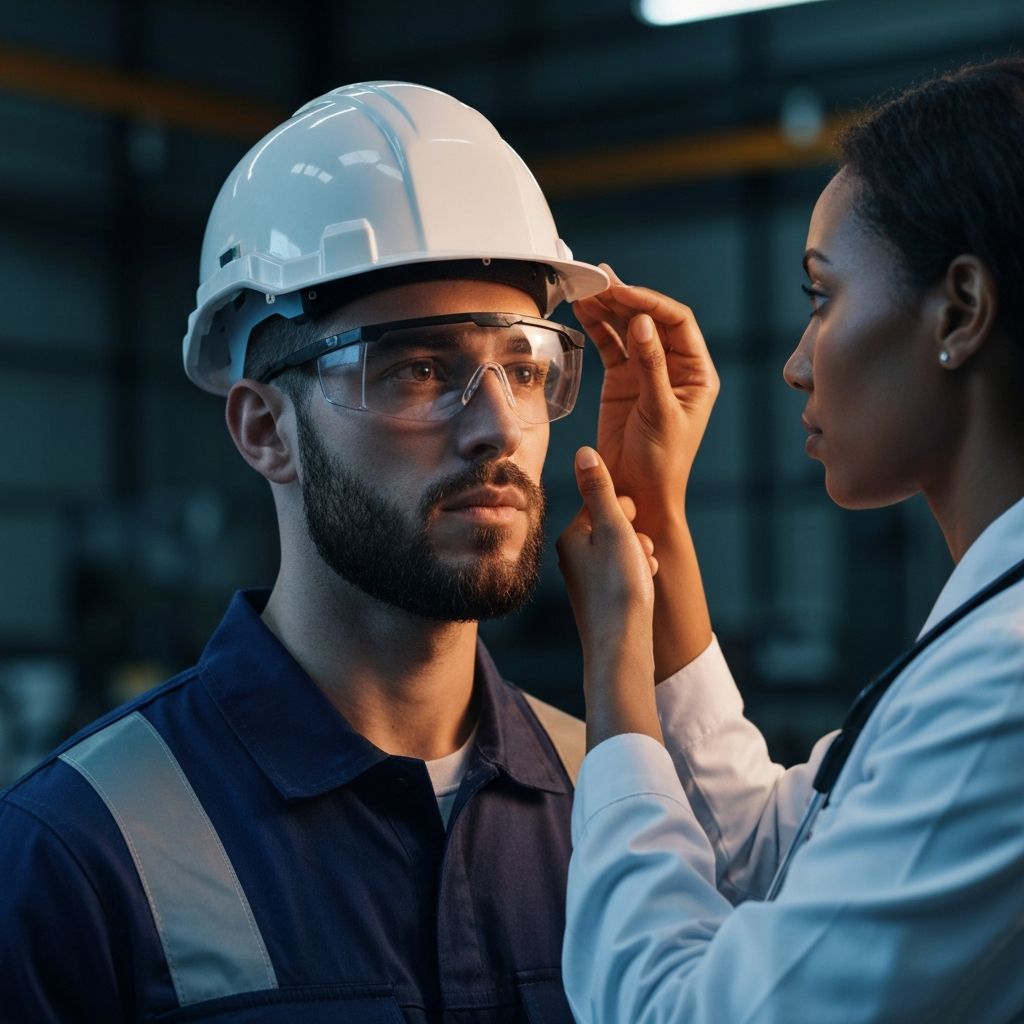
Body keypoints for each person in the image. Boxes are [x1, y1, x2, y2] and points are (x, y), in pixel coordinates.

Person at [0, 81, 626, 1023]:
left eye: (526, 368)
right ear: (266, 431)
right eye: (419, 368)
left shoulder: (615, 804)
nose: (499, 428)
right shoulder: (82, 852)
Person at [556, 59, 1024, 1023]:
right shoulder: (983, 641)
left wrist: (613, 666)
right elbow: (778, 851)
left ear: (961, 310)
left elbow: (684, 1012)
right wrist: (656, 515)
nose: (796, 365)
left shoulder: (1003, 688)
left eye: (821, 297)